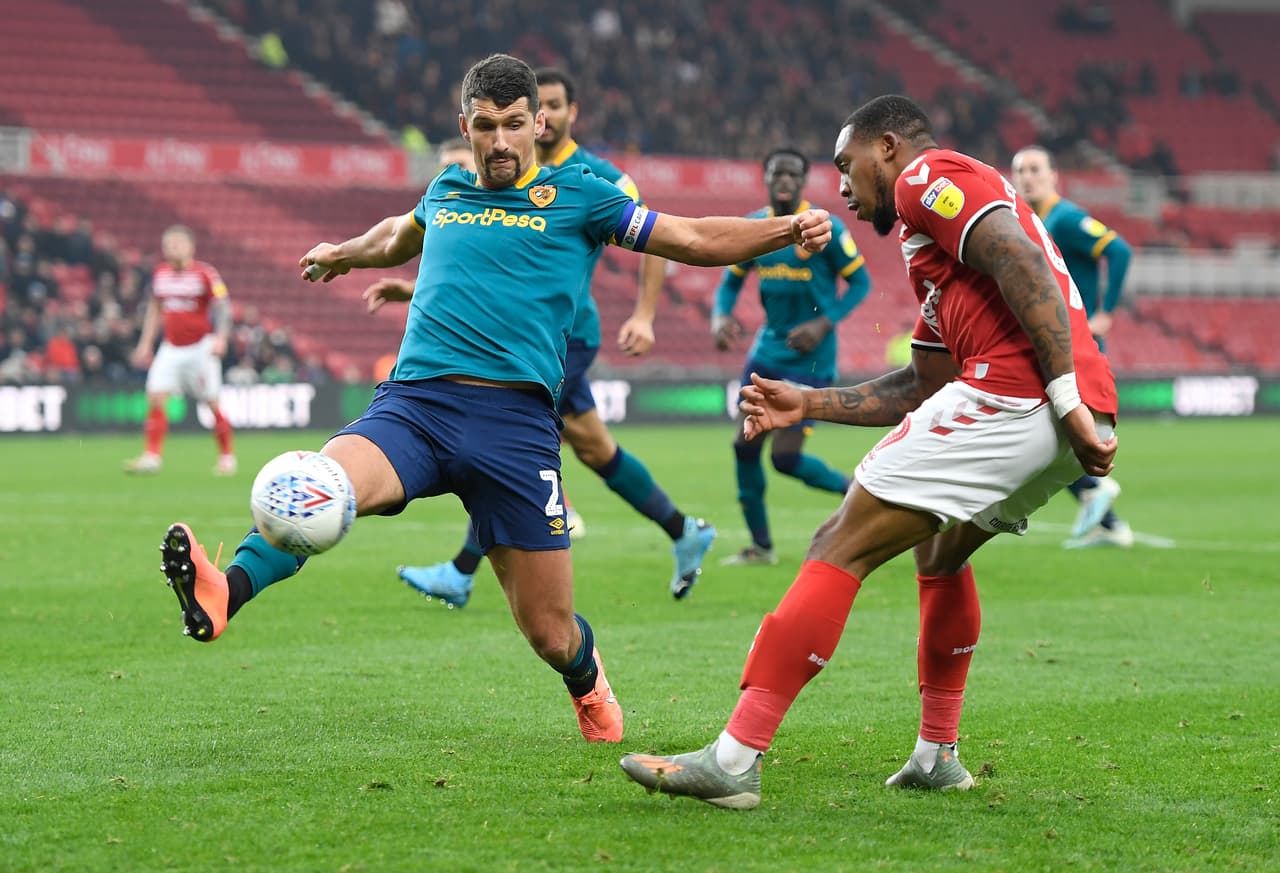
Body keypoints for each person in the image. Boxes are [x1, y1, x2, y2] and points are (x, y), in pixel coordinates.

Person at [157, 54, 833, 748]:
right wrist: (342, 253)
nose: (502, 140)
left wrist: (784, 229)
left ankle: (586, 679)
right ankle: (225, 590)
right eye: (487, 126)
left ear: (538, 123)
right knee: (320, 483)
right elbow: (395, 236)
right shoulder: (447, 188)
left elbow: (688, 236)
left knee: (548, 630)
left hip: (515, 430)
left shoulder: (584, 196)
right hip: (415, 407)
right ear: (466, 126)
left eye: (515, 124)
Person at [619, 94, 1117, 807]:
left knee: (839, 539)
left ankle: (733, 759)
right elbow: (922, 384)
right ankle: (937, 754)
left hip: (1027, 395)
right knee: (938, 554)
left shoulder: (925, 178)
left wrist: (1063, 401)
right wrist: (810, 401)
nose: (843, 187)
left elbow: (1020, 258)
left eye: (845, 166)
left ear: (887, 147)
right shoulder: (938, 265)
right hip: (1061, 402)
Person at [390, 66, 716, 605]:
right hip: (521, 337)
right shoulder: (499, 168)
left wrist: (645, 314)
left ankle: (461, 571)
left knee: (505, 441)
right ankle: (684, 530)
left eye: (561, 106)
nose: (553, 117)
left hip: (560, 340)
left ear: (562, 114)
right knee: (593, 447)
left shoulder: (597, 178)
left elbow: (658, 235)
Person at [713, 147, 871, 567]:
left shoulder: (825, 227)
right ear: (765, 177)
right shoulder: (753, 228)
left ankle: (856, 491)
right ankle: (760, 547)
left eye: (792, 174)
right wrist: (720, 316)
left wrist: (824, 323)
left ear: (803, 181)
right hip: (765, 354)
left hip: (811, 360)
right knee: (744, 446)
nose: (784, 180)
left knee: (785, 458)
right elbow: (730, 282)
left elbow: (860, 283)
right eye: (776, 173)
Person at [1012, 145, 1133, 548]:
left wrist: (1107, 311)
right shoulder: (1034, 222)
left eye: (1035, 169)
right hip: (1055, 340)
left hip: (1075, 341)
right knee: (1051, 424)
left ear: (1053, 176)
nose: (1027, 177)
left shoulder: (1065, 218)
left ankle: (1091, 491)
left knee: (1046, 423)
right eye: (1020, 171)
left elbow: (1118, 249)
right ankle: (1109, 525)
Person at [124, 225, 236, 475]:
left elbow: (222, 306)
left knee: (211, 402)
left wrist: (221, 337)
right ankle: (152, 456)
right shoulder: (160, 274)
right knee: (155, 396)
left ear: (190, 247)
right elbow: (154, 309)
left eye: (176, 243)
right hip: (171, 347)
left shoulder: (205, 273)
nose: (171, 248)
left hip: (201, 347)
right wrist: (145, 343)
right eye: (167, 244)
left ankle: (227, 456)